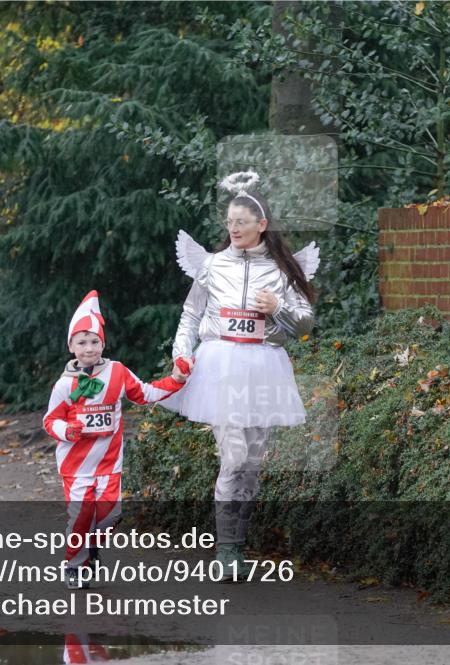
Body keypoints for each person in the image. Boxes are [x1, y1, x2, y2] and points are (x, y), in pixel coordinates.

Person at [163, 170, 319, 581]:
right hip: (221, 368)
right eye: (229, 221)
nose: (233, 228)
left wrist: (277, 309)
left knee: (251, 464)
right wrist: (182, 355)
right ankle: (225, 551)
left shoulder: (282, 272)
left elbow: (304, 325)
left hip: (264, 368)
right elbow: (191, 315)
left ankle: (237, 542)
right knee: (232, 459)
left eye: (241, 222)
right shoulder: (213, 266)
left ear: (261, 226)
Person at [43, 290, 188, 589]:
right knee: (81, 515)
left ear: (103, 344)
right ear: (71, 346)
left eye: (94, 341)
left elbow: (146, 394)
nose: (89, 348)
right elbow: (49, 421)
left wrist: (177, 380)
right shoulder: (64, 384)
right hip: (76, 465)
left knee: (110, 516)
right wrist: (65, 431)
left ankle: (91, 547)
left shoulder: (118, 372)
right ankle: (75, 564)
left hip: (109, 462)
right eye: (82, 342)